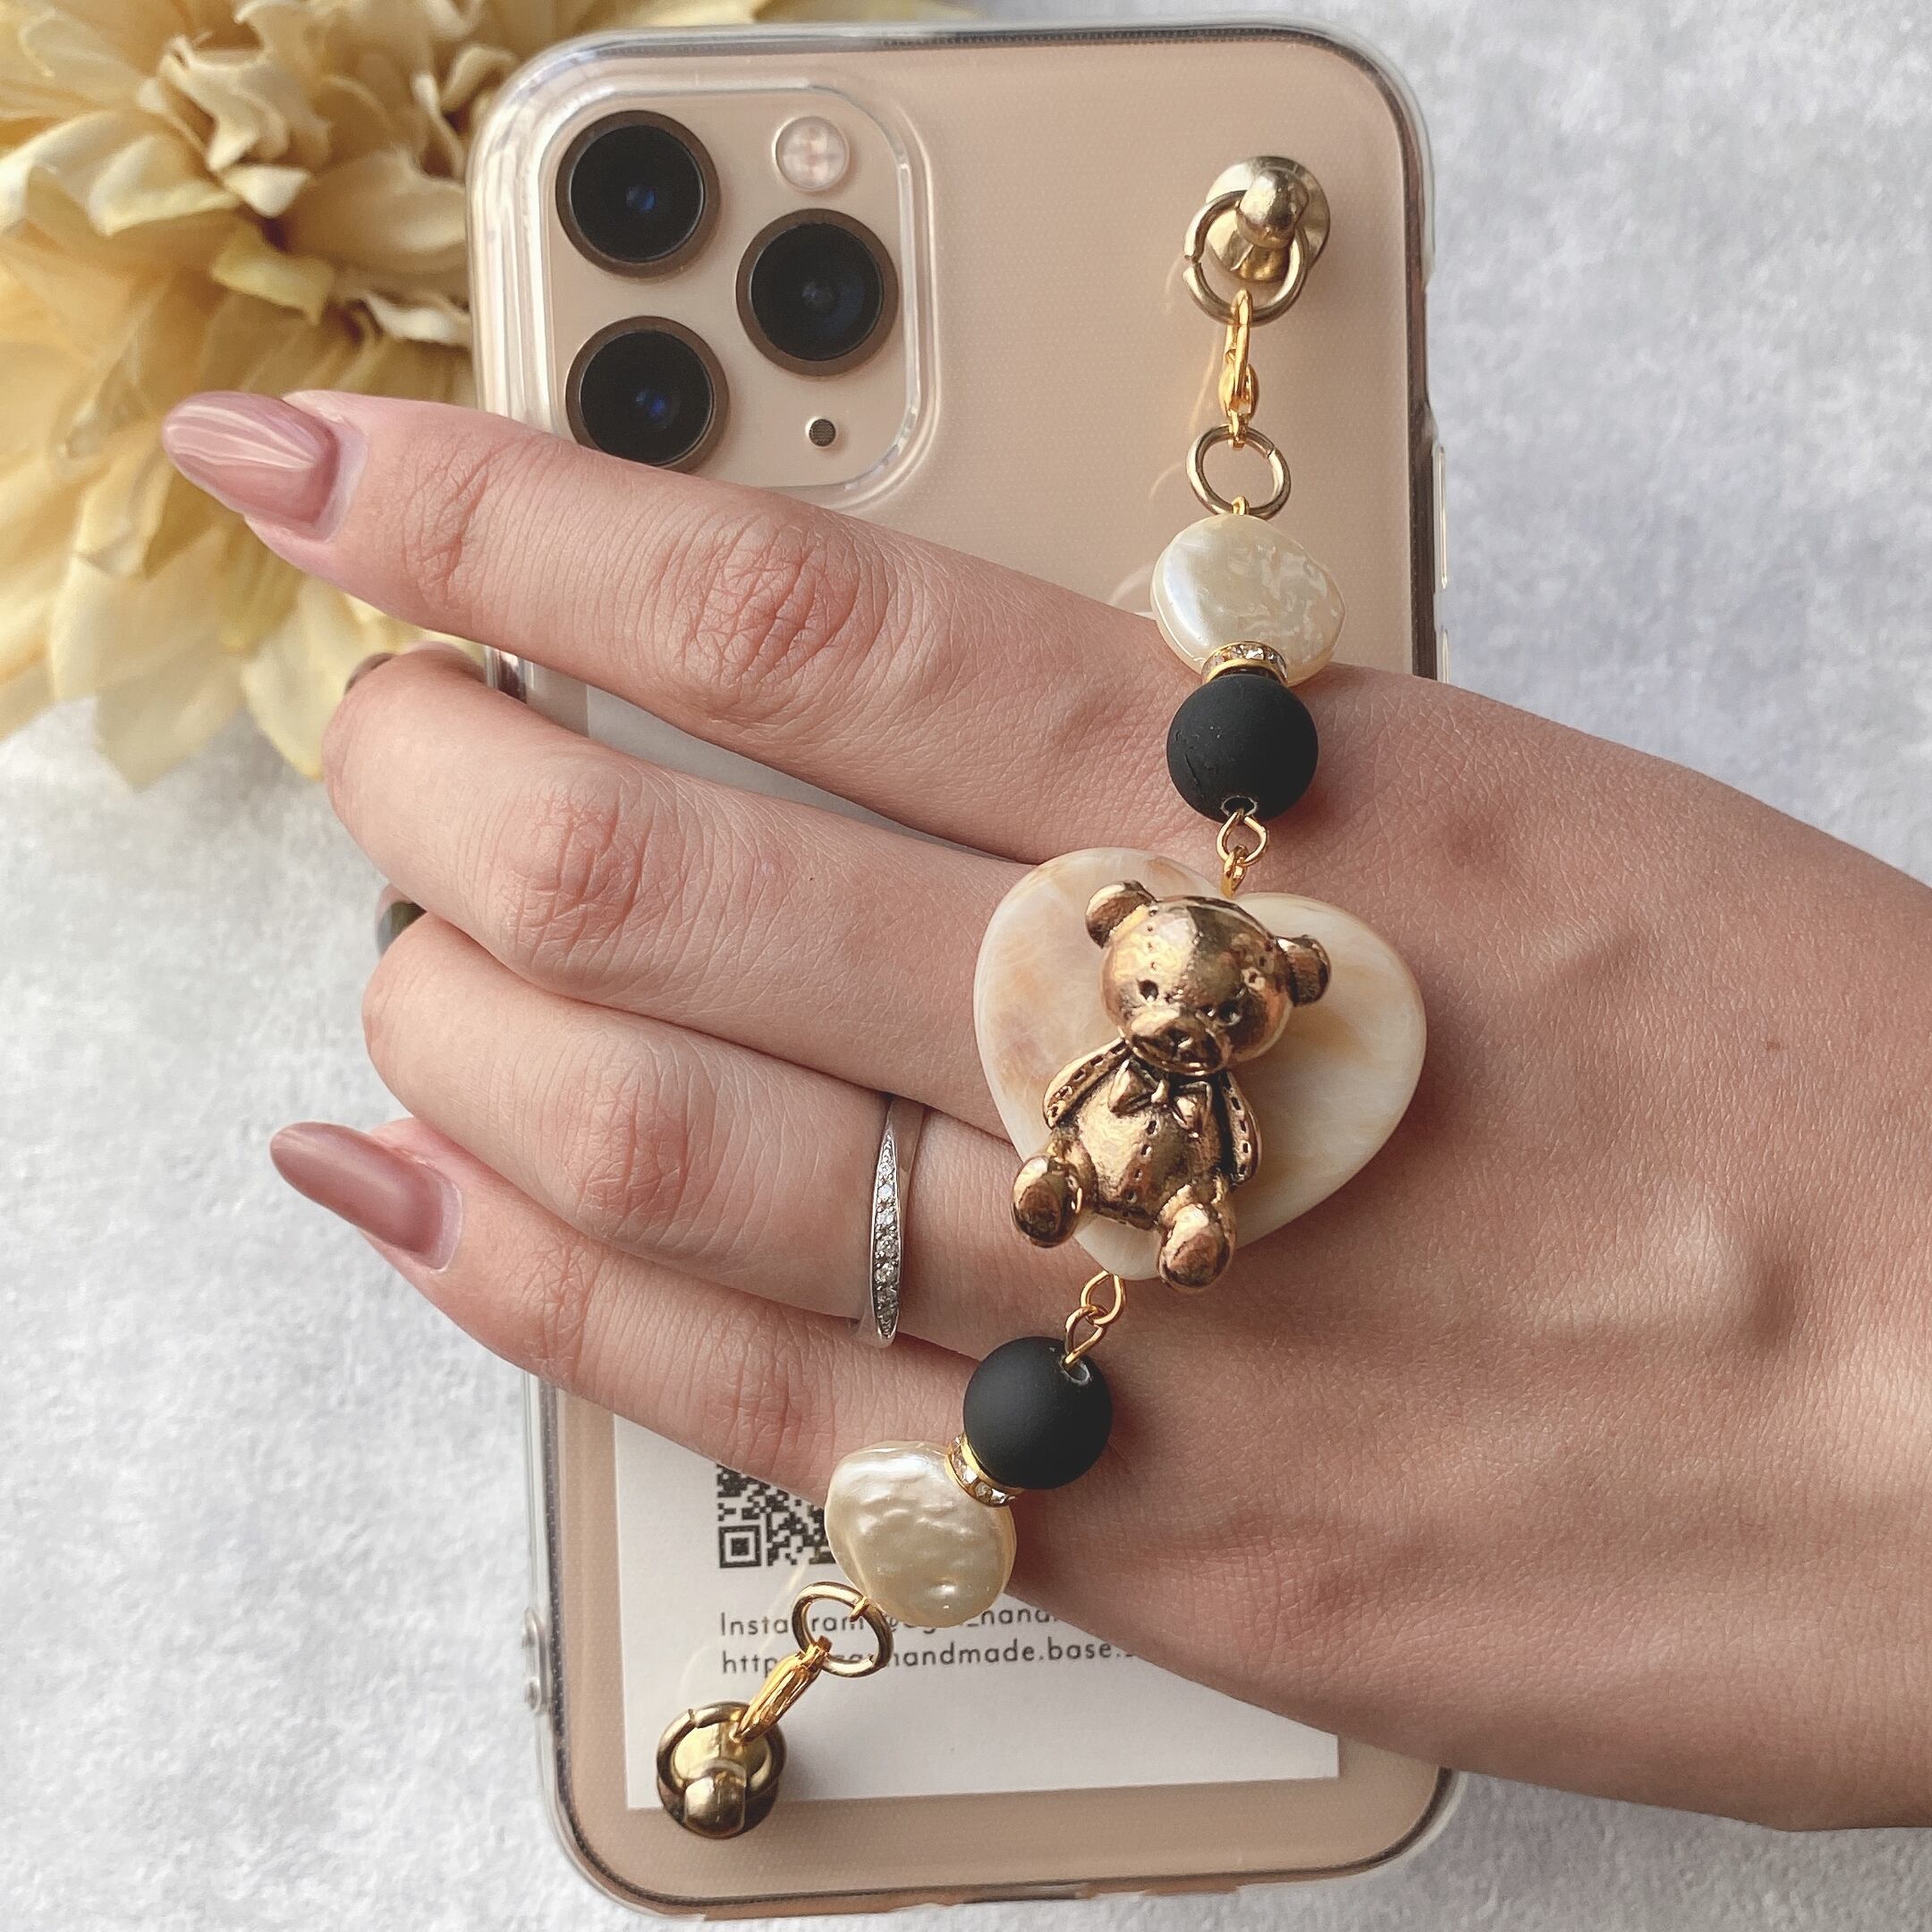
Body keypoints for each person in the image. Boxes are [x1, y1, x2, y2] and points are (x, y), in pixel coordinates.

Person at [160, 388, 1932, 1832]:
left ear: (1276, 990)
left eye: (1217, 1001)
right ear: (1119, 943)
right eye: (1162, 981)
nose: (1182, 1009)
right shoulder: (1129, 990)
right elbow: (1100, 1078)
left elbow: (1230, 1131)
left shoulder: (1258, 1016)